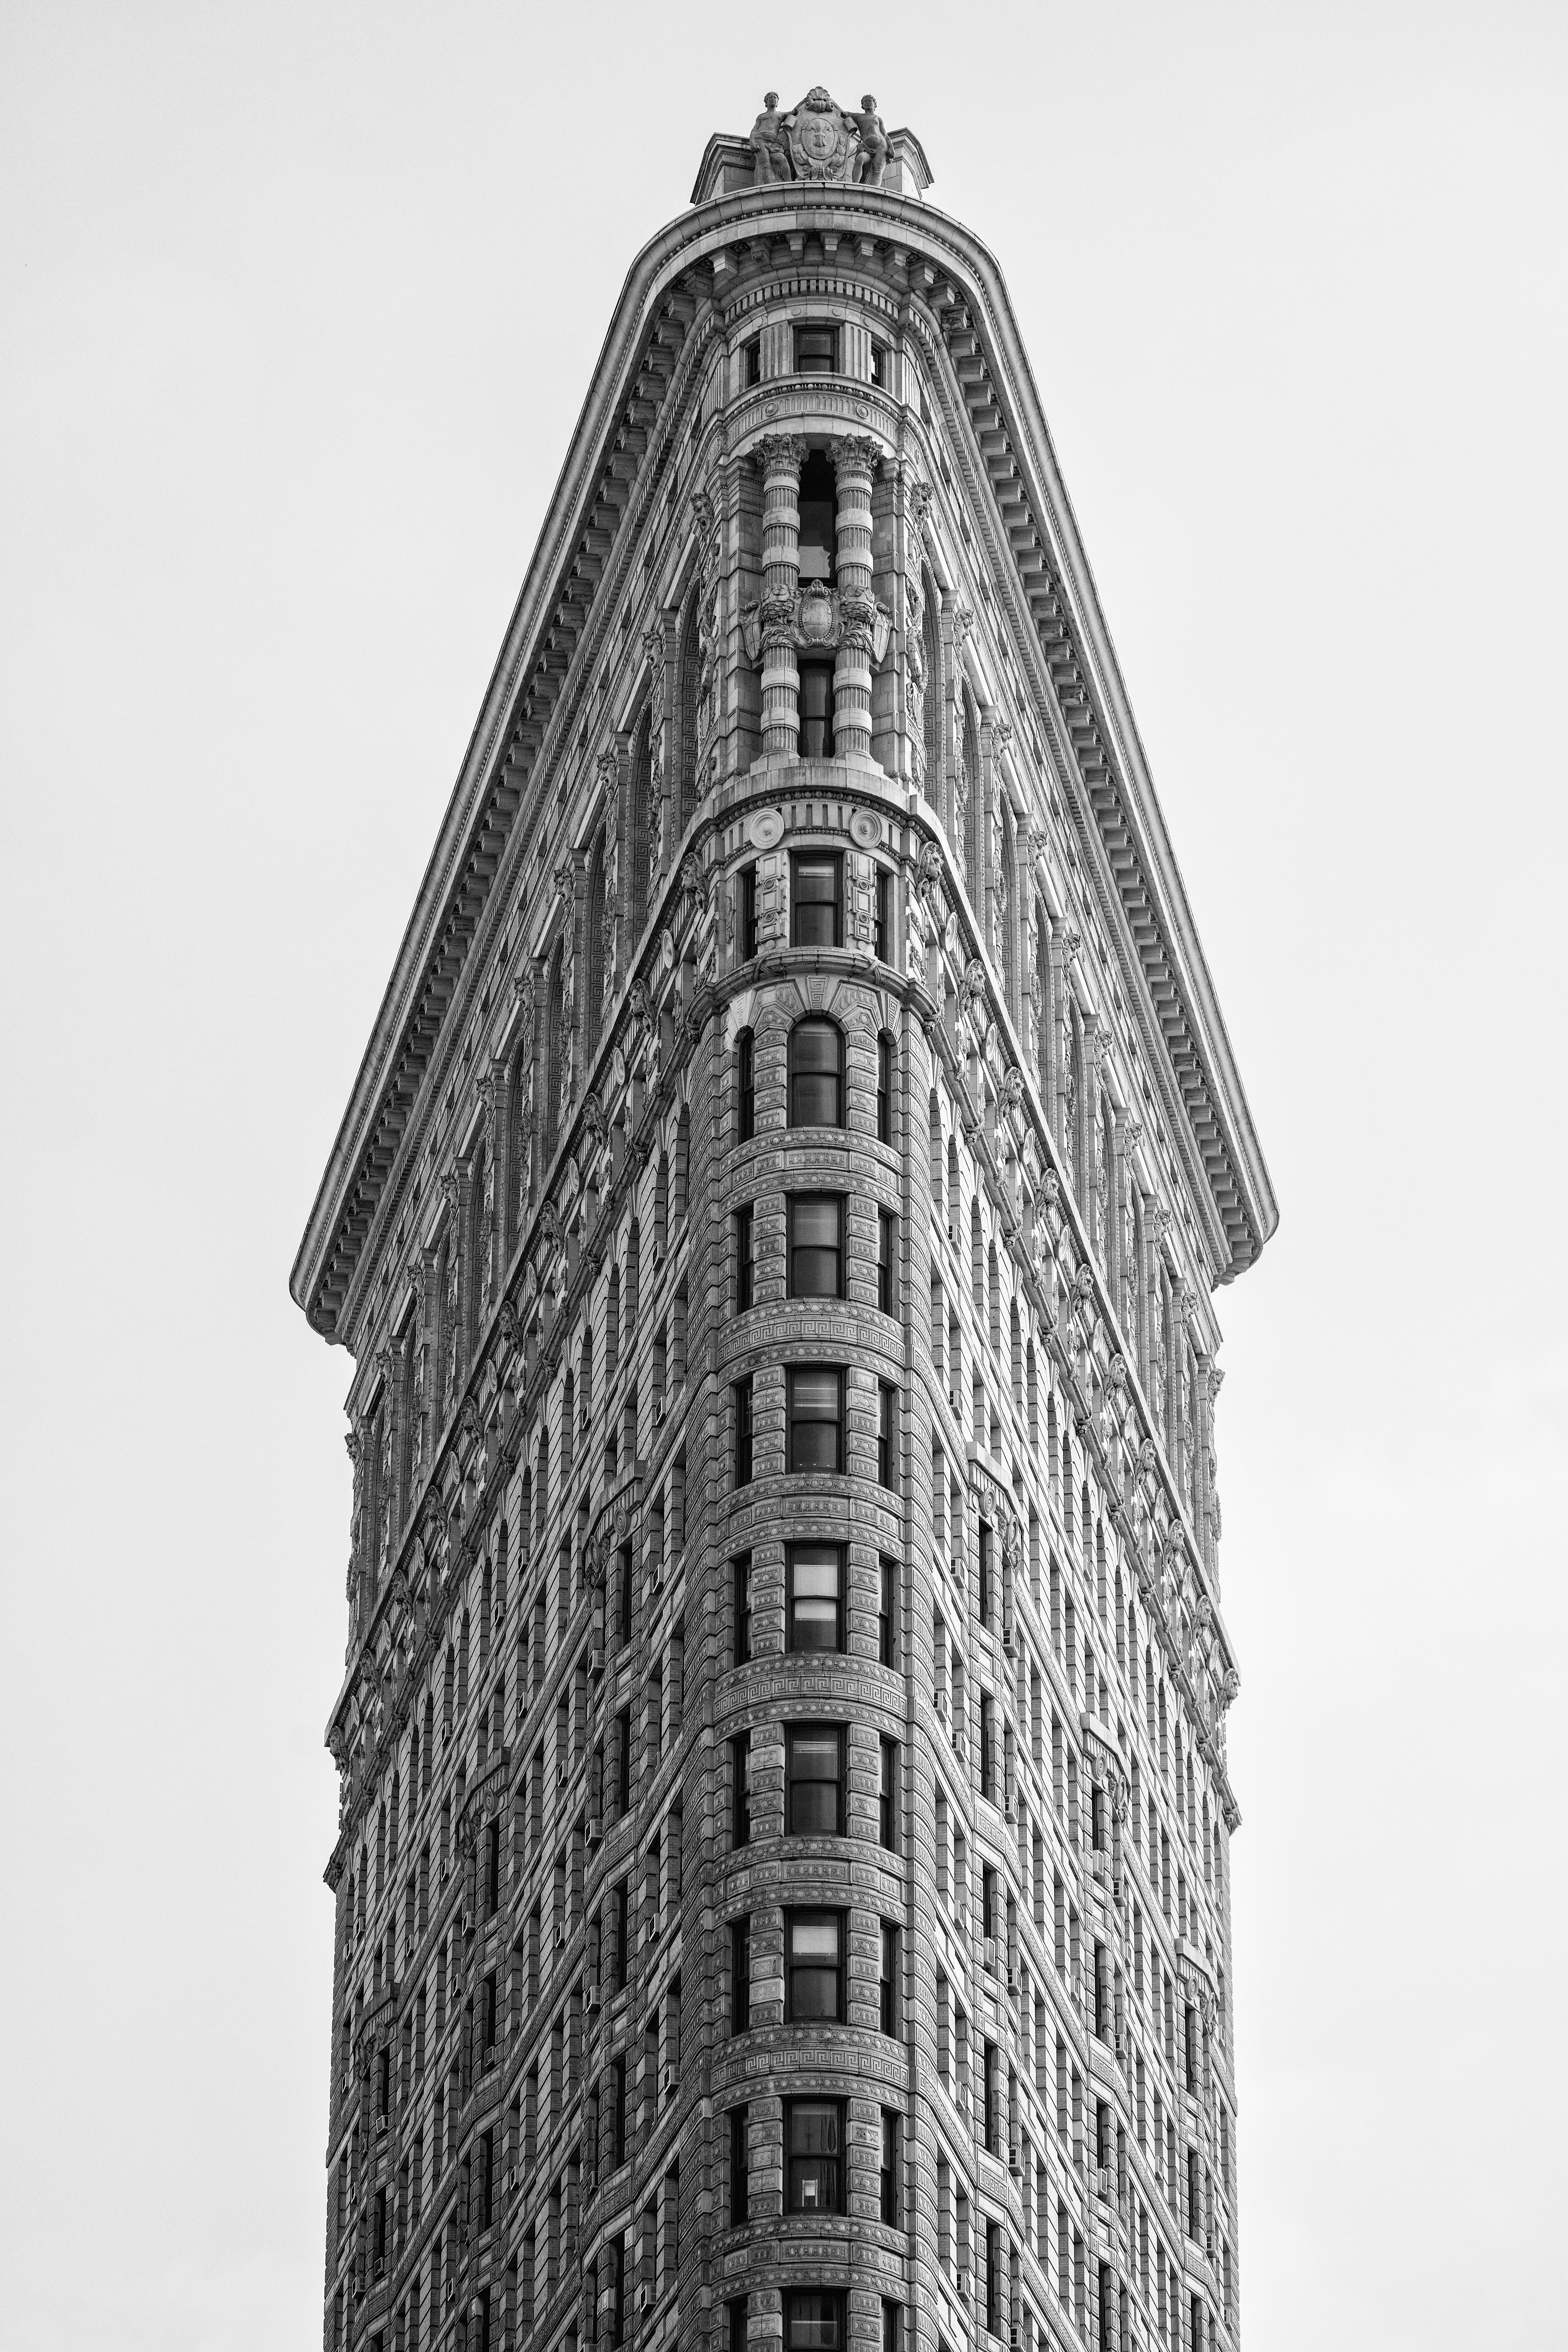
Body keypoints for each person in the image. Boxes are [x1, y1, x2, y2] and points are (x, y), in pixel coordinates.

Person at [750, 92, 790, 184]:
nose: (773, 99)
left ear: (778, 103)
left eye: (775, 98)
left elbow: (795, 112)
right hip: (760, 141)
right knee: (766, 165)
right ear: (766, 103)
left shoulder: (780, 115)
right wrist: (752, 141)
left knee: (783, 160)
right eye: (771, 98)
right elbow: (755, 129)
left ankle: (789, 183)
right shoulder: (761, 117)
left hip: (774, 143)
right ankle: (770, 186)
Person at [850, 95, 888, 187]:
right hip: (867, 147)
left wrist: (891, 147)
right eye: (865, 102)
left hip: (882, 147)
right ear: (862, 106)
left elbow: (885, 135)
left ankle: (875, 192)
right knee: (860, 159)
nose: (868, 103)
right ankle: (855, 186)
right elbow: (844, 113)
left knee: (878, 171)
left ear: (875, 105)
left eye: (870, 101)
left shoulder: (879, 119)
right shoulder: (859, 117)